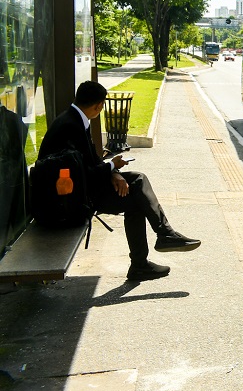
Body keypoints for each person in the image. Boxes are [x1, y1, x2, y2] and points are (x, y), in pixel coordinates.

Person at [37, 81, 200, 281]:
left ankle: (160, 241)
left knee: (137, 181)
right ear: (98, 106)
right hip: (72, 202)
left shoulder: (73, 119)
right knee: (137, 198)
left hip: (78, 191)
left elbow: (86, 162)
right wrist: (112, 166)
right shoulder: (72, 127)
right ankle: (153, 249)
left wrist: (113, 172)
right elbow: (85, 173)